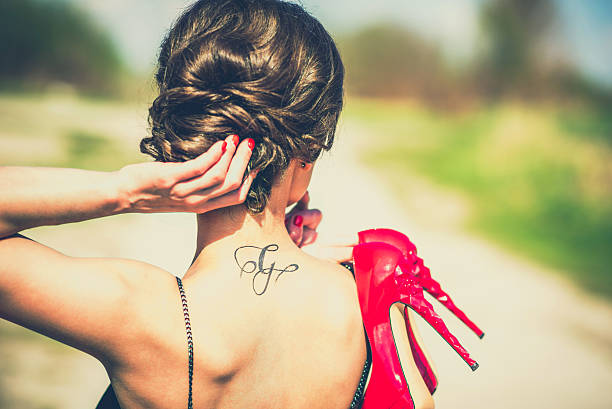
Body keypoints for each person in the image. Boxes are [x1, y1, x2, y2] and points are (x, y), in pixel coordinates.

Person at [0, 1, 435, 408]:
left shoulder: (136, 315)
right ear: (309, 151)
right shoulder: (368, 303)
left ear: (181, 137)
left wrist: (124, 190)